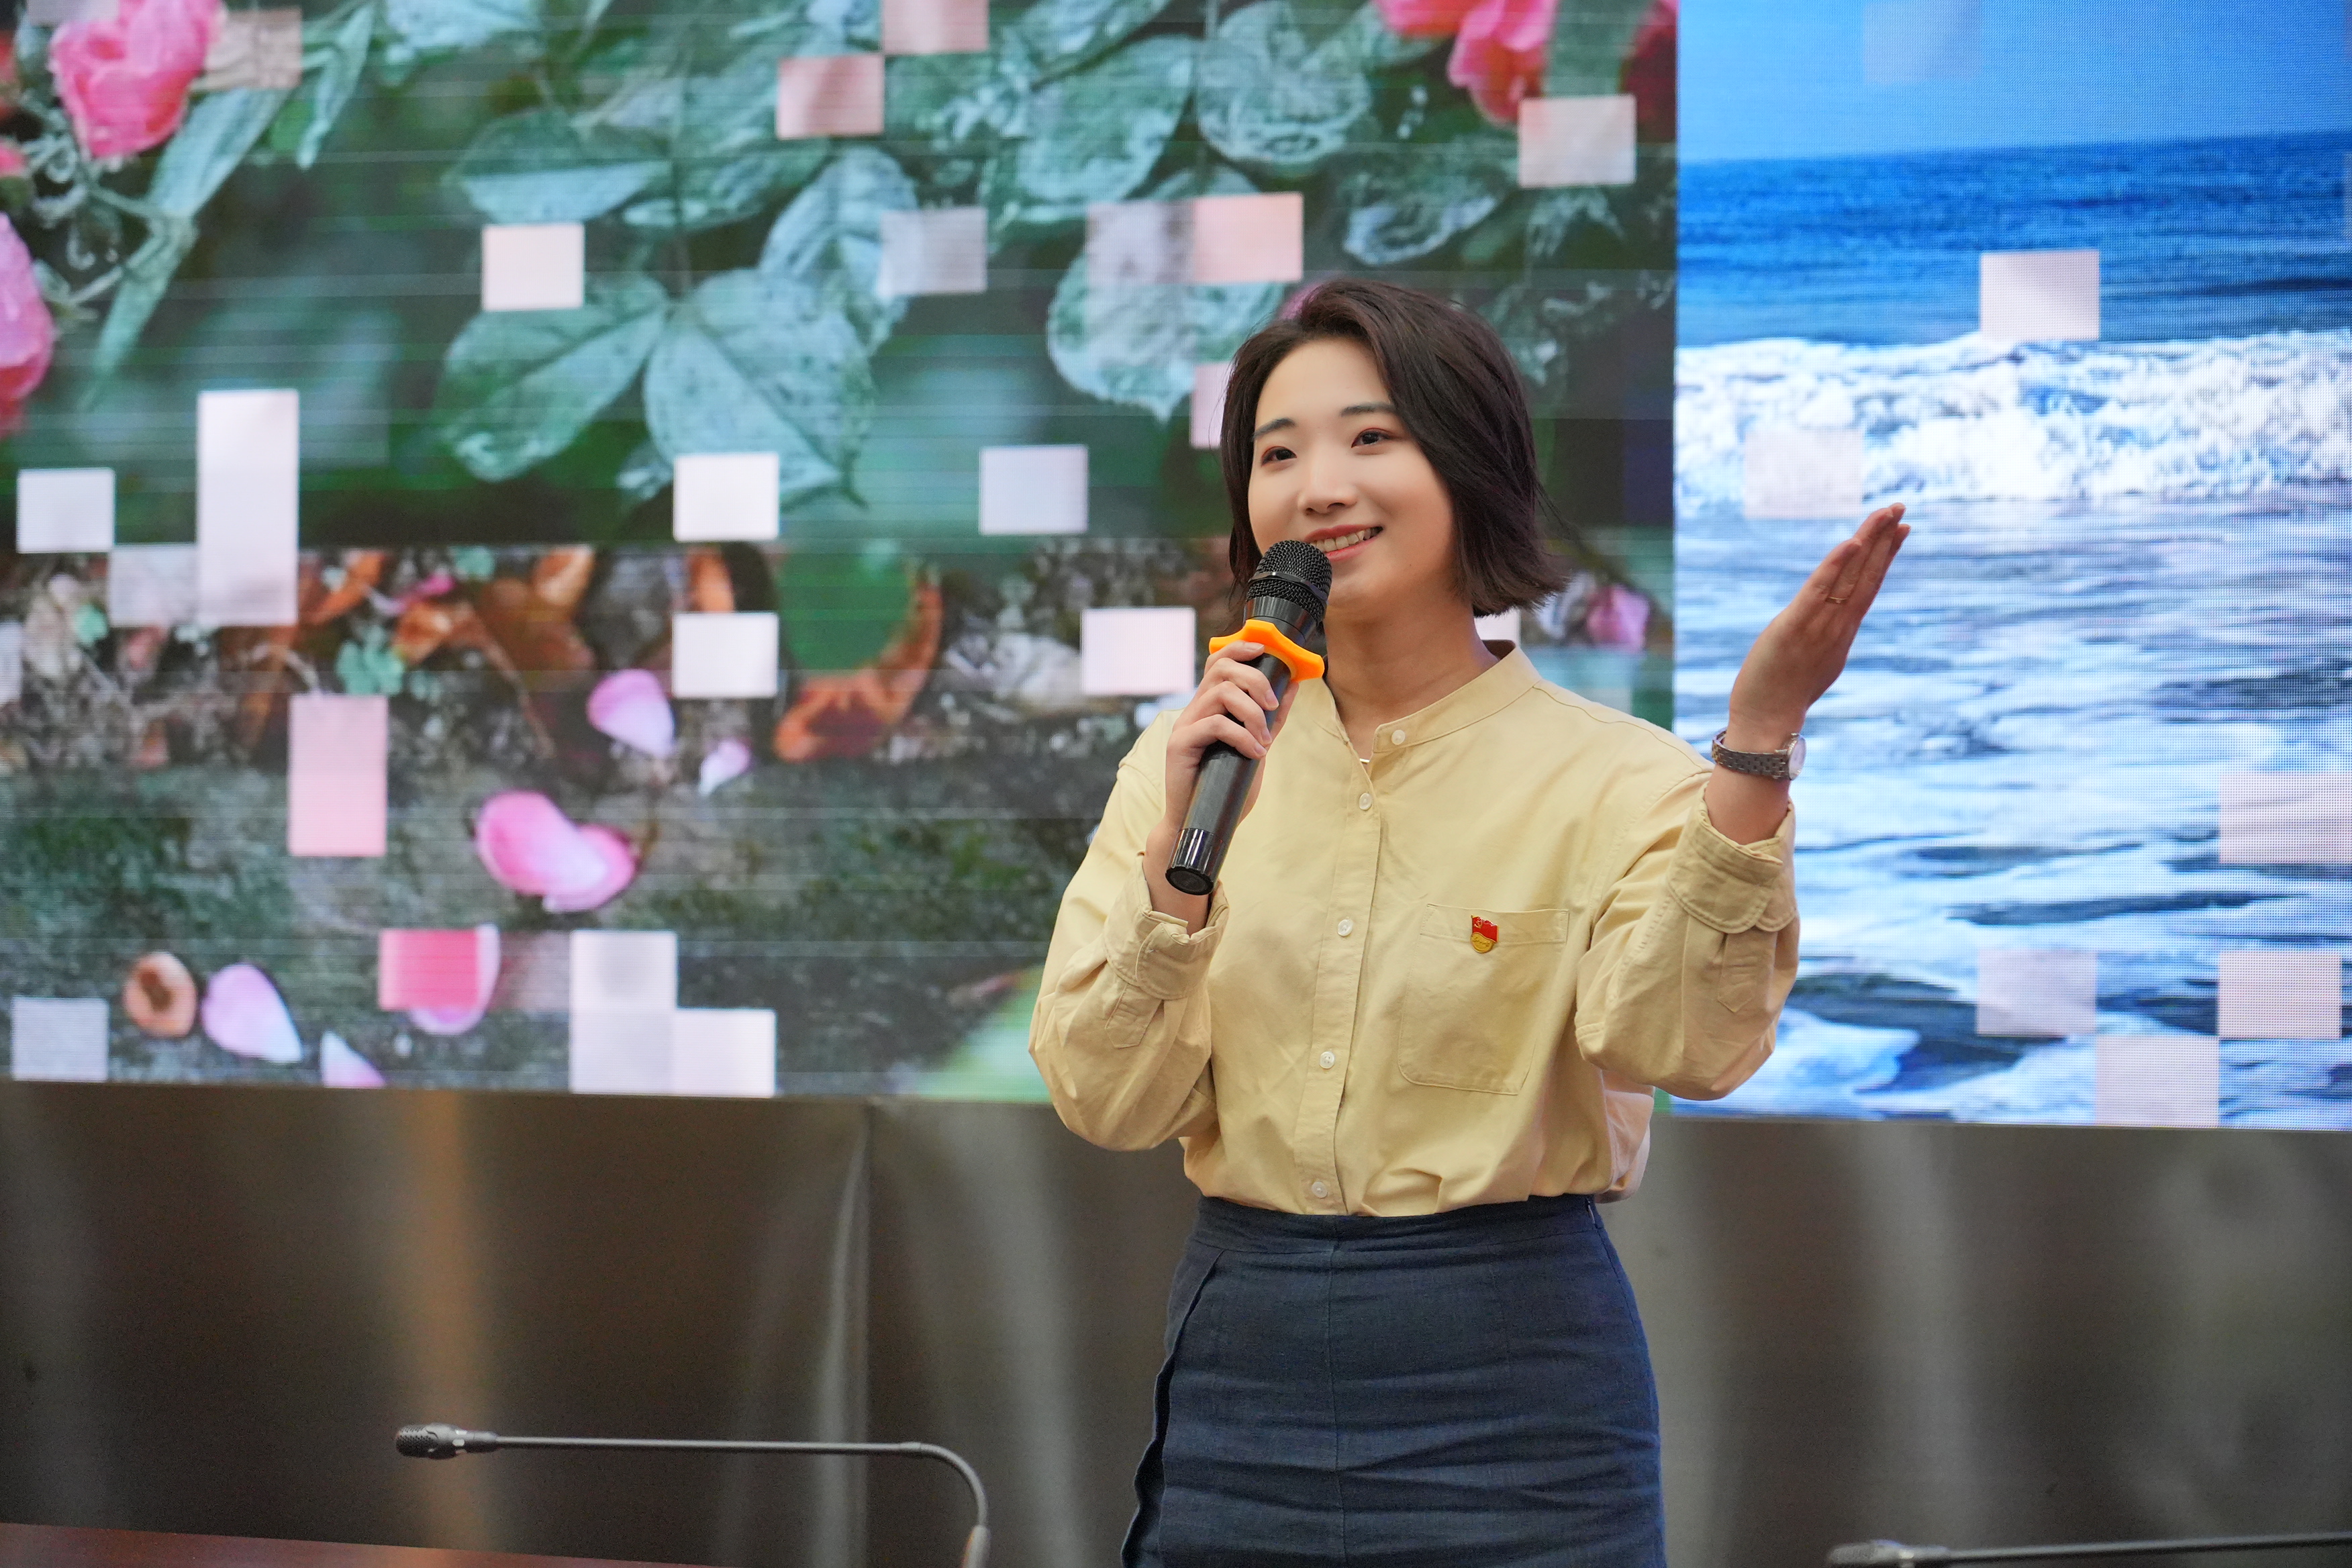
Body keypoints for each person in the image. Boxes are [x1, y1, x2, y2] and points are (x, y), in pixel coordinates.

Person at [1028, 278, 1908, 1567]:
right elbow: (1105, 1100)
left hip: (1515, 1384)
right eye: (1279, 454)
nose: (1320, 487)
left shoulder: (1620, 777)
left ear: (1469, 465)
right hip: (1243, 1372)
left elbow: (1687, 1050)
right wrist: (1180, 867)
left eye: (1371, 438)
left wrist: (1759, 741)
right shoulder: (1188, 762)